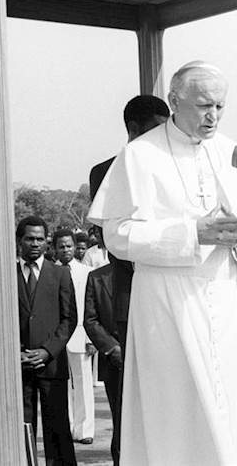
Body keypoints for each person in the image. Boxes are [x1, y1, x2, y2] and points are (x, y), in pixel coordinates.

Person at [88, 61, 237, 465]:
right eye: (204, 106)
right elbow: (117, 235)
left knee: (233, 410)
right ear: (175, 101)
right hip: (167, 303)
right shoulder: (139, 155)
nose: (214, 117)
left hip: (225, 299)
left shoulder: (229, 152)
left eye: (221, 107)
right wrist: (193, 233)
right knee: (176, 415)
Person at [88, 94, 169, 355]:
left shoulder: (175, 170)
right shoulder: (105, 172)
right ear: (134, 129)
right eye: (156, 130)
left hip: (174, 294)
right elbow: (111, 237)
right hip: (130, 295)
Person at [17, 216, 77, 466]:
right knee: (22, 429)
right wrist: (16, 352)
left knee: (57, 431)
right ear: (19, 241)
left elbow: (69, 319)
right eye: (29, 238)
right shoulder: (5, 273)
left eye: (40, 239)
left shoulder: (60, 274)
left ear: (46, 242)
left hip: (51, 366)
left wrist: (46, 351)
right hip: (18, 367)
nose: (35, 244)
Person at [53, 229, 95, 445]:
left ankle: (85, 429)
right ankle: (67, 428)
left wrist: (91, 338)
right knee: (61, 385)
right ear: (55, 249)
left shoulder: (87, 272)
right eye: (61, 246)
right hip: (57, 337)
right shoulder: (50, 272)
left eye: (69, 246)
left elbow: (90, 307)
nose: (66, 250)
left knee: (83, 383)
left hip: (81, 333)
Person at [82, 263, 122, 464]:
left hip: (147, 357)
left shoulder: (146, 270)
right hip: (115, 362)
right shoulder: (97, 277)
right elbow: (90, 319)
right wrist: (112, 348)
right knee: (120, 418)